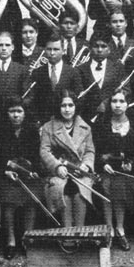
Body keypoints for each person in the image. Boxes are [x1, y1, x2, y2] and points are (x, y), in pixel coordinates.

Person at [0, 97, 42, 259]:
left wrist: (32, 170)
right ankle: (11, 242)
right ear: (7, 113)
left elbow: (36, 156)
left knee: (32, 197)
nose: (16, 115)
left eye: (19, 111)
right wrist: (5, 171)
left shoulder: (32, 131)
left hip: (27, 175)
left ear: (25, 113)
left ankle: (27, 239)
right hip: (6, 176)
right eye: (12, 111)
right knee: (9, 200)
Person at [93, 90, 134, 251]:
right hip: (106, 171)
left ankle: (120, 228)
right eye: (114, 101)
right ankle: (109, 229)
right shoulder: (102, 126)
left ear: (127, 104)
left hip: (129, 173)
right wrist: (103, 164)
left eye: (121, 101)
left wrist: (132, 164)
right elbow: (95, 151)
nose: (117, 105)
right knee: (106, 184)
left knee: (118, 183)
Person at [40, 90, 95, 228]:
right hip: (58, 172)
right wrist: (57, 166)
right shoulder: (48, 127)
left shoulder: (85, 127)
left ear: (76, 106)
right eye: (63, 105)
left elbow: (89, 151)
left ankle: (79, 231)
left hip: (79, 171)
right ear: (58, 107)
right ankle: (67, 231)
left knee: (80, 192)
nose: (67, 109)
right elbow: (44, 151)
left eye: (71, 105)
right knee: (61, 190)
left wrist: (86, 165)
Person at [29, 35, 83, 125]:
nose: (52, 53)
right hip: (43, 122)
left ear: (63, 51)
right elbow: (34, 100)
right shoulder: (37, 73)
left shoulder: (73, 72)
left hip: (66, 121)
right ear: (45, 50)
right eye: (49, 49)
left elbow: (79, 99)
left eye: (56, 49)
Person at [0, 32, 30, 136]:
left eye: (7, 45)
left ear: (13, 47)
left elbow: (28, 96)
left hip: (15, 121)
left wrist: (17, 109)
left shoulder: (22, 69)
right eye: (0, 45)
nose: (4, 48)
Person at [77, 36, 129, 122]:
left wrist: (108, 102)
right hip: (86, 117)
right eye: (96, 46)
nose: (100, 50)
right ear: (90, 49)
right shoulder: (80, 69)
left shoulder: (118, 68)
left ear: (109, 49)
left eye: (104, 46)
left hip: (112, 116)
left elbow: (126, 90)